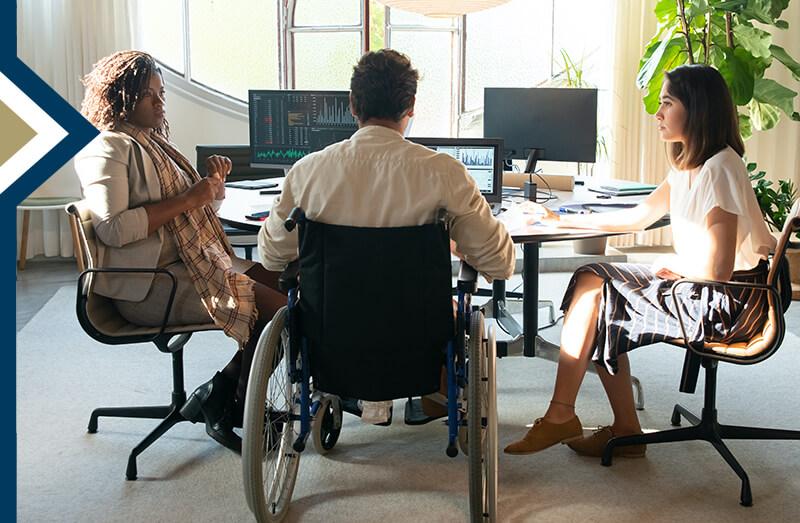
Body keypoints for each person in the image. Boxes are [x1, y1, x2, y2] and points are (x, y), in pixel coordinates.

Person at [504, 64, 776, 458]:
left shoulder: (720, 168)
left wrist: (672, 269)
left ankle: (571, 417)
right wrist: (560, 219)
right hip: (702, 286)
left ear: (697, 109)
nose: (658, 113)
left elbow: (718, 271)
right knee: (594, 283)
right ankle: (616, 427)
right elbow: (637, 217)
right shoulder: (688, 165)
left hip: (726, 302)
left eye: (668, 103)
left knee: (596, 287)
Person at [258, 49, 516, 420]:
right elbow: (500, 263)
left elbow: (270, 256)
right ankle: (434, 396)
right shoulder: (444, 173)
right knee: (458, 309)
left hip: (332, 339)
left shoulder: (307, 172)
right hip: (416, 345)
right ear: (410, 105)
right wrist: (458, 242)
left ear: (352, 104)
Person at [75, 50, 287, 453]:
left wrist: (212, 189)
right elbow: (113, 228)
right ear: (121, 98)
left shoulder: (154, 143)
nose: (159, 102)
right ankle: (236, 408)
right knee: (277, 311)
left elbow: (188, 219)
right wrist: (190, 199)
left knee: (290, 288)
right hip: (150, 285)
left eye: (160, 93)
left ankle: (218, 393)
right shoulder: (107, 148)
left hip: (187, 264)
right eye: (147, 95)